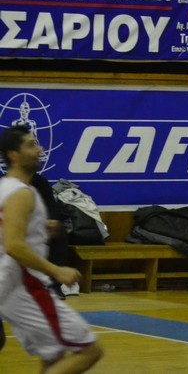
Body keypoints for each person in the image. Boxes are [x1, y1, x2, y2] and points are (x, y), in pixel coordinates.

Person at [0, 125, 103, 373]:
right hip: (24, 285)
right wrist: (56, 270)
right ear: (14, 155)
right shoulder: (21, 193)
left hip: (11, 287)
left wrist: (37, 229)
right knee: (90, 350)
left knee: (54, 356)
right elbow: (13, 245)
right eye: (31, 145)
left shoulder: (6, 187)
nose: (40, 149)